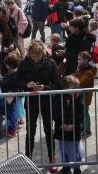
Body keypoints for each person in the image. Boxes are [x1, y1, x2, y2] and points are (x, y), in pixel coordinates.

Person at [18, 40, 61, 170]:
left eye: (38, 56)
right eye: (33, 56)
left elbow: (57, 84)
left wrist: (45, 87)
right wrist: (26, 84)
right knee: (30, 131)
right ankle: (27, 159)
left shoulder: (51, 63)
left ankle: (52, 158)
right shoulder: (24, 63)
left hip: (46, 101)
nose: (35, 59)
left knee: (49, 130)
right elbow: (17, 80)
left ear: (42, 53)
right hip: (31, 101)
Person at [53, 75, 84, 174]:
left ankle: (76, 168)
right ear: (65, 87)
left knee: (76, 150)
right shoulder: (58, 96)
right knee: (63, 150)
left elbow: (81, 113)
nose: (75, 90)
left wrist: (74, 125)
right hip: (61, 129)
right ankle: (66, 167)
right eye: (73, 87)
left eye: (76, 87)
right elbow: (55, 112)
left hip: (75, 130)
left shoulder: (79, 97)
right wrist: (61, 124)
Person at [73, 51, 96, 137]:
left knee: (85, 113)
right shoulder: (81, 70)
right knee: (81, 113)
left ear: (86, 60)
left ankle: (87, 129)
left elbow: (81, 83)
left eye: (80, 59)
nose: (78, 61)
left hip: (85, 97)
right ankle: (82, 127)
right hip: (80, 96)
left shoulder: (89, 72)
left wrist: (76, 74)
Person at [0, 53, 21, 137]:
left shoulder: (13, 74)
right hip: (10, 96)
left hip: (10, 97)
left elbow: (5, 84)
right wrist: (0, 78)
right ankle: (13, 128)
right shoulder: (12, 73)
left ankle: (12, 130)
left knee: (10, 113)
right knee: (11, 113)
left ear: (10, 65)